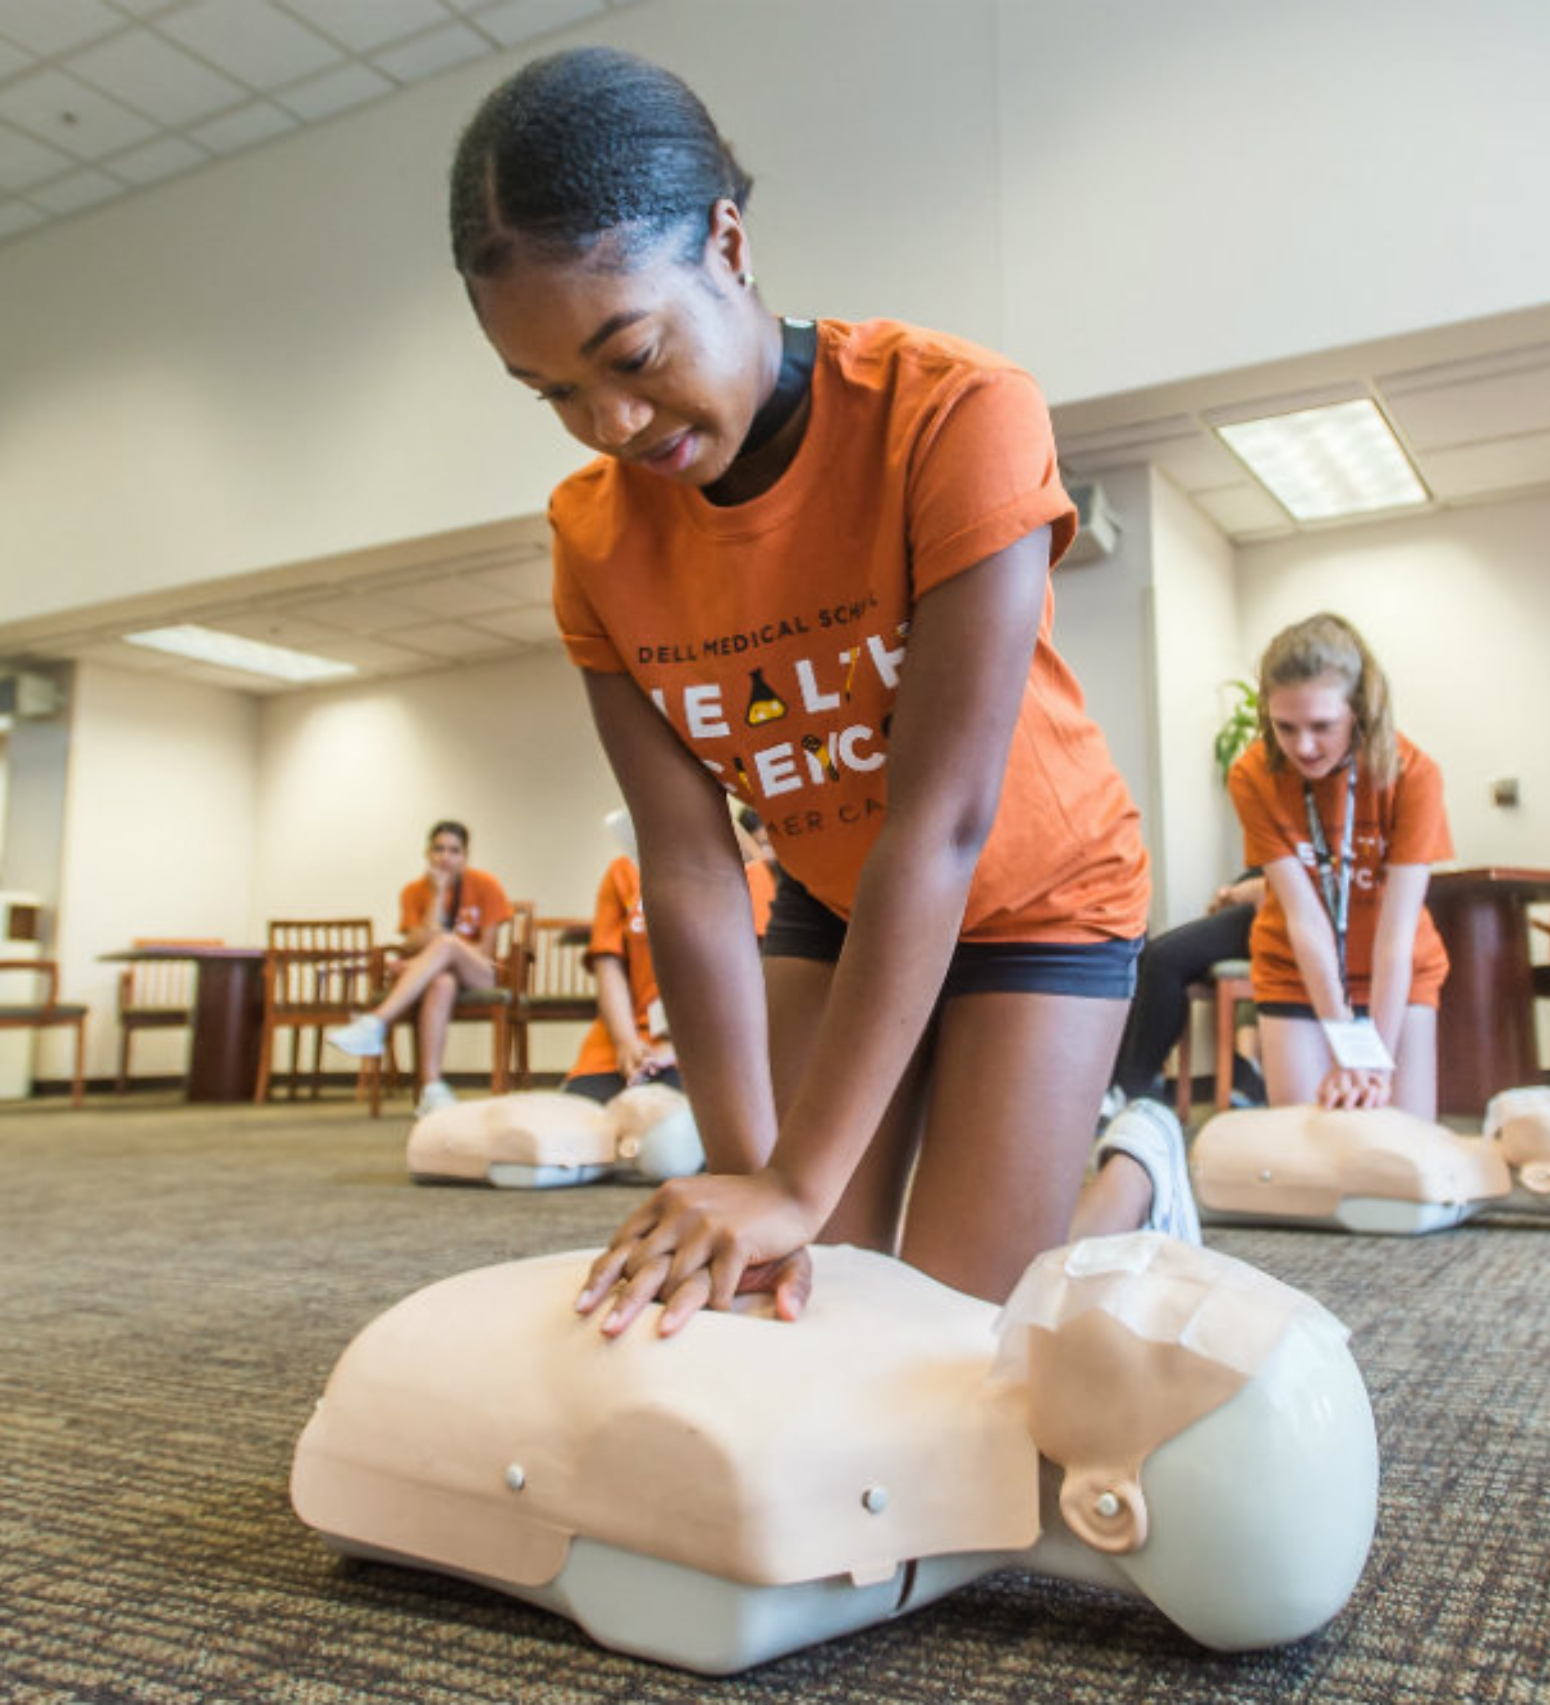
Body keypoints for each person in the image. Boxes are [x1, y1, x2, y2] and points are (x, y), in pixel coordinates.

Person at [447, 46, 1182, 1336]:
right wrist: (753, 1183)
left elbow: (939, 823)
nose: (610, 423)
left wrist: (796, 1175)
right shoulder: (592, 539)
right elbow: (687, 868)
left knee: (952, 1337)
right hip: (835, 903)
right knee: (796, 1305)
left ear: (726, 243)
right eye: (553, 391)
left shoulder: (955, 414)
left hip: (1036, 895)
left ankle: (1135, 1174)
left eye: (631, 353)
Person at [1225, 614, 1452, 1120]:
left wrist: (1374, 1062)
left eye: (1322, 726)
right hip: (1296, 971)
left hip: (1397, 972)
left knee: (1401, 1151)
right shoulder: (1252, 775)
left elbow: (1397, 936)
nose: (1303, 746)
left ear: (1360, 711)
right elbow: (1305, 919)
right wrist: (1346, 1043)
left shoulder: (1414, 775)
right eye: (1285, 727)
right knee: (1313, 1152)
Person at [562, 812, 779, 1103]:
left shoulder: (751, 871)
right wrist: (626, 1042)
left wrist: (680, 1050)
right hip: (624, 1044)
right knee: (576, 1127)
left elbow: (756, 977)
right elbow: (608, 964)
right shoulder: (622, 872)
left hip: (713, 1045)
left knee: (663, 1133)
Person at [326, 820, 514, 1115]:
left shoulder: (486, 885)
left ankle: (376, 1021)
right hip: (437, 975)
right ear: (427, 853)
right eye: (438, 849)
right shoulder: (414, 891)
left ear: (465, 855)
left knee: (448, 945)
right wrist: (438, 895)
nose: (445, 857)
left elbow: (485, 950)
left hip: (481, 972)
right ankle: (431, 1089)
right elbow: (416, 941)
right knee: (442, 983)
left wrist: (423, 960)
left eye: (454, 850)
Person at [1103, 872, 1267, 1115]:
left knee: (1163, 960)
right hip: (1263, 896)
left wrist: (1237, 892)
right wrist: (1232, 890)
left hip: (1280, 910)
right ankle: (1122, 1084)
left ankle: (1134, 1090)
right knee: (1149, 955)